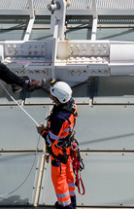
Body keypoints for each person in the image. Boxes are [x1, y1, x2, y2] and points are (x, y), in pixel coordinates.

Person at [38, 81, 80, 209]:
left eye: (53, 95)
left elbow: (51, 140)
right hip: (67, 149)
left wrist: (42, 132)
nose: (50, 96)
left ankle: (65, 205)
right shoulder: (72, 104)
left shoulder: (59, 118)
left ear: (58, 99)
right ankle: (72, 202)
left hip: (59, 153)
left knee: (59, 181)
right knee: (69, 175)